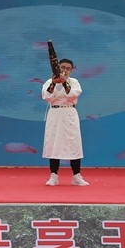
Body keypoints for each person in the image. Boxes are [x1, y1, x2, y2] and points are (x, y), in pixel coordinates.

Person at [42, 58, 88, 186]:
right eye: (62, 67)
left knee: (74, 143)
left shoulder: (74, 82)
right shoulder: (49, 82)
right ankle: (54, 175)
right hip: (55, 113)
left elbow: (72, 95)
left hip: (69, 113)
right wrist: (54, 82)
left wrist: (63, 83)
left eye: (68, 69)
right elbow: (46, 96)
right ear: (57, 67)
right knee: (54, 143)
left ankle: (76, 176)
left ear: (71, 71)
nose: (65, 70)